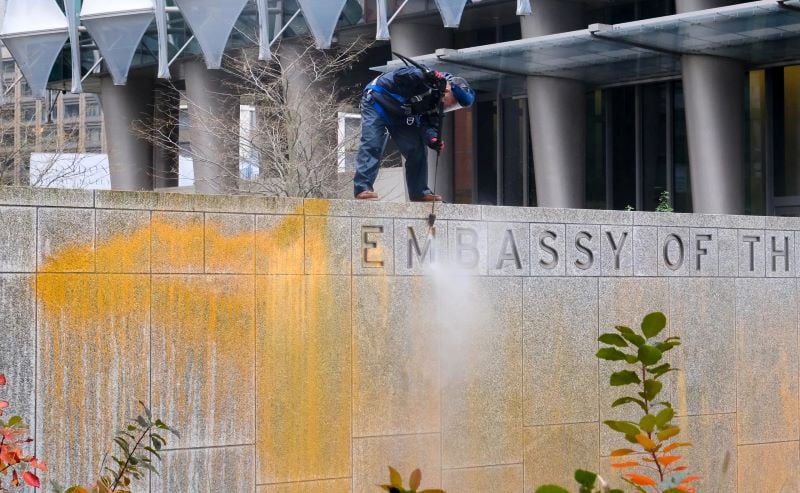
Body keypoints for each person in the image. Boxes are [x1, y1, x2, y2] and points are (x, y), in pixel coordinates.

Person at [353, 64, 475, 201]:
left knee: (417, 148)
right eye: (453, 102)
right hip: (377, 103)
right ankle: (362, 188)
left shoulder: (436, 103)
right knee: (372, 143)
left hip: (401, 116)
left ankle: (419, 192)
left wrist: (433, 139)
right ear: (447, 90)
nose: (451, 106)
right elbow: (400, 75)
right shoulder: (425, 77)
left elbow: (429, 124)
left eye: (455, 106)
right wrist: (424, 75)